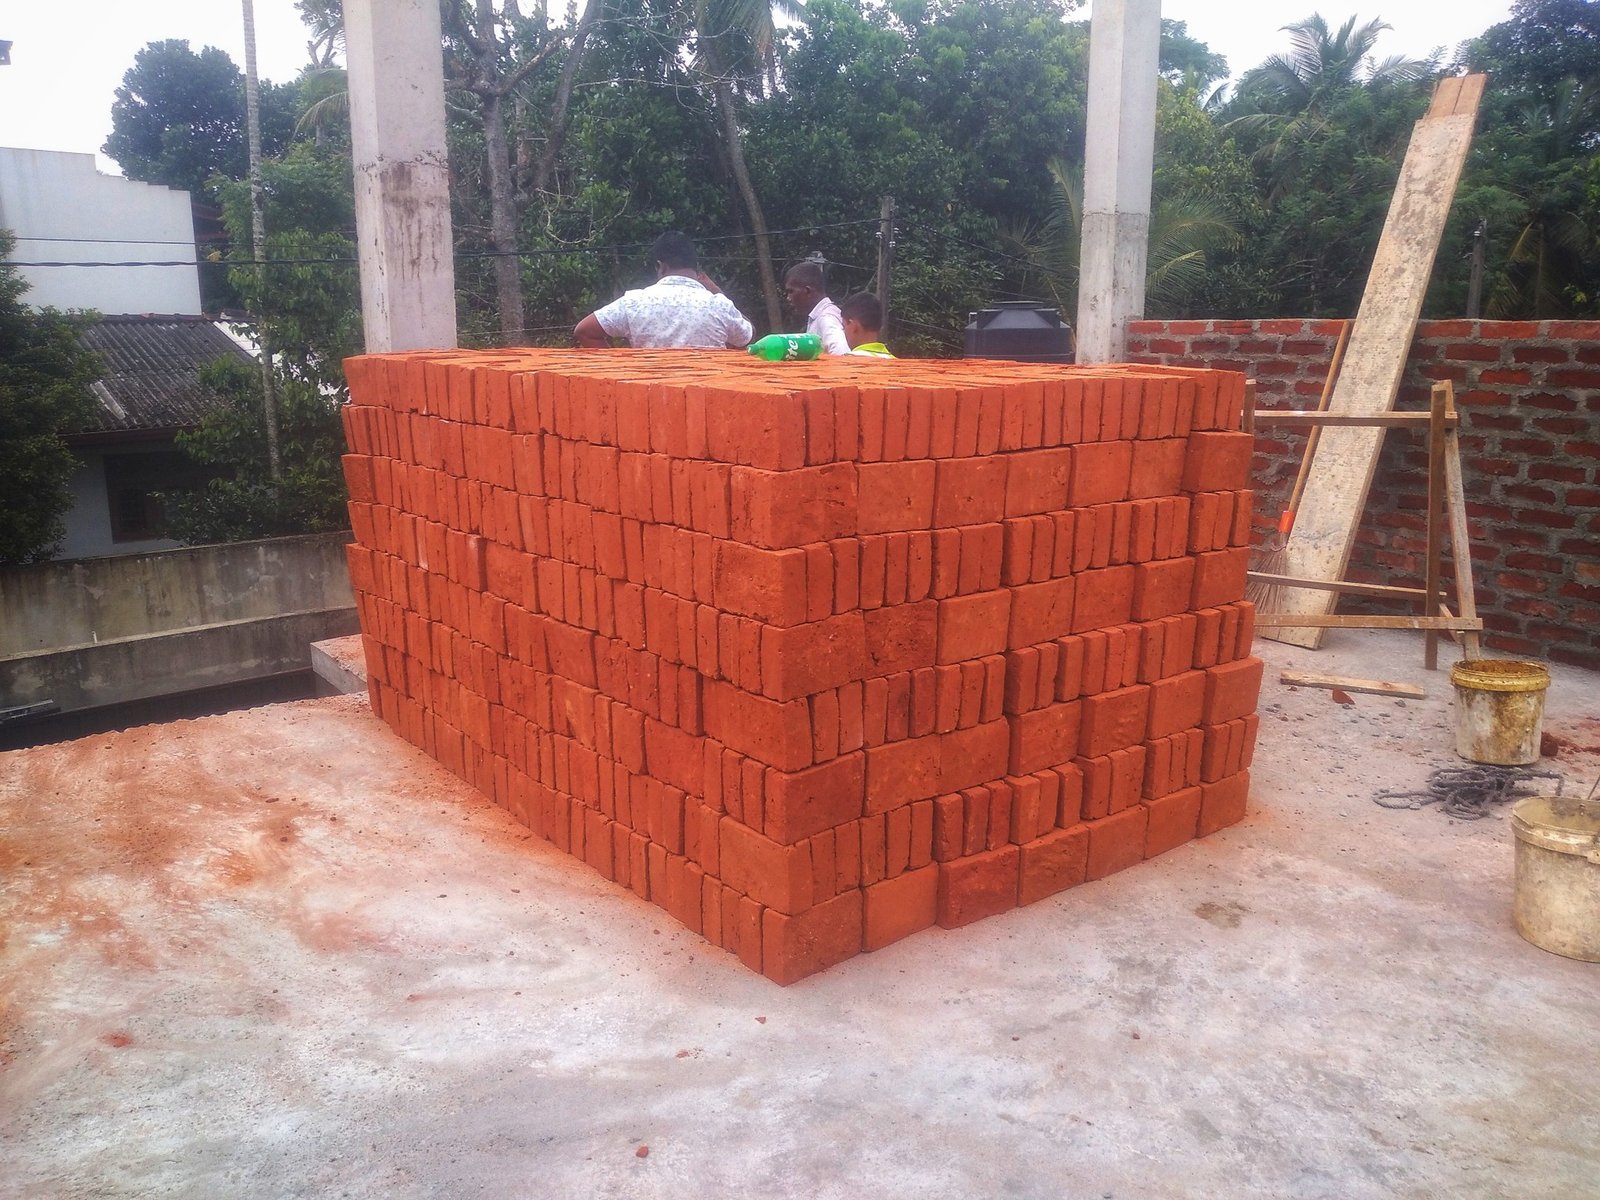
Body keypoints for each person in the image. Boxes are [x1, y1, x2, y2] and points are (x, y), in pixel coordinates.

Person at [574, 231, 753, 349]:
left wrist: (620, 371)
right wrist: (719, 292)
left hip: (650, 403)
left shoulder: (634, 303)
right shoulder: (718, 305)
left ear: (661, 266)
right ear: (696, 268)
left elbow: (584, 331)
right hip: (707, 404)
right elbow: (747, 337)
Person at [782, 261, 851, 355]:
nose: (788, 298)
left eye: (791, 291)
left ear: (808, 291)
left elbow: (842, 354)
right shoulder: (818, 317)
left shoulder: (826, 318)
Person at [839, 292, 894, 358]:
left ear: (853, 326)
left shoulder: (845, 363)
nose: (844, 332)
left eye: (844, 327)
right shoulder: (897, 363)